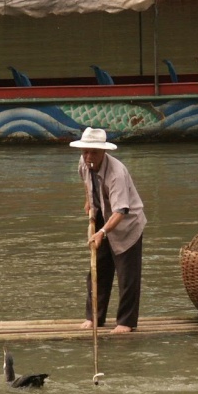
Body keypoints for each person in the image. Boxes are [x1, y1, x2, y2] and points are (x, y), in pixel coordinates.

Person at [70, 127, 147, 333]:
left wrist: (102, 232)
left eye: (93, 152)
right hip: (104, 214)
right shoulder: (84, 163)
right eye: (85, 151)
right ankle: (94, 317)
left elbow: (121, 210)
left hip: (127, 223)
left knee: (127, 276)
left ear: (103, 152)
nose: (88, 156)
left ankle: (126, 322)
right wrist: (89, 202)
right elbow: (87, 184)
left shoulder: (117, 173)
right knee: (97, 270)